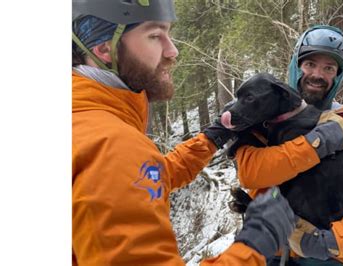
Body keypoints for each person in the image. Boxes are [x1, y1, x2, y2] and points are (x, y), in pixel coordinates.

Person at [71, 0, 297, 265]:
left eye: (169, 34)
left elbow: (144, 179)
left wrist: (212, 137)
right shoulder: (113, 145)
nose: (172, 51)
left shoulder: (84, 124)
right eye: (155, 35)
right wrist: (254, 246)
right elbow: (122, 167)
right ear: (104, 48)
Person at [231, 25, 343, 265]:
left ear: (338, 76)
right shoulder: (263, 117)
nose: (318, 75)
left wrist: (334, 241)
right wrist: (315, 145)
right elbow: (251, 173)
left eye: (328, 68)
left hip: (326, 257)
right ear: (296, 66)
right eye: (310, 64)